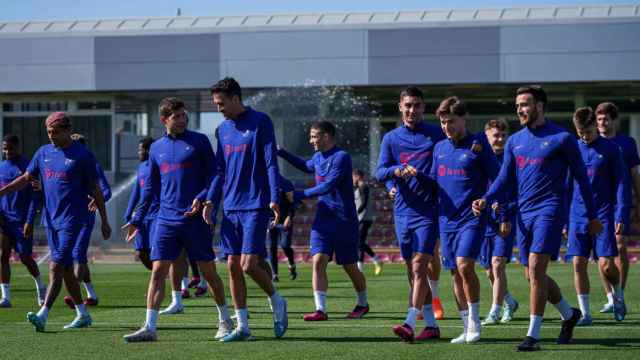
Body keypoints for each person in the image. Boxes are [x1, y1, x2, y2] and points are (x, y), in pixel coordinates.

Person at [472, 86, 602, 351]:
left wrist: (592, 216)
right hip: (523, 213)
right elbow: (504, 178)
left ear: (540, 106)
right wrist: (486, 198)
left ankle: (533, 335)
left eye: (526, 104)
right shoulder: (514, 141)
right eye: (518, 105)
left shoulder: (563, 138)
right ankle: (569, 314)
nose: (520, 109)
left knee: (536, 268)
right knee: (533, 276)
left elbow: (582, 180)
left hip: (550, 210)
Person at [123, 97, 233, 342]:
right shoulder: (156, 148)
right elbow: (149, 188)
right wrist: (137, 219)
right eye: (177, 117)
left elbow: (216, 175)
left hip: (195, 220)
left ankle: (224, 320)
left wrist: (204, 197)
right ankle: (149, 328)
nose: (183, 120)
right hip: (165, 220)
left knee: (208, 271)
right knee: (157, 272)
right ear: (164, 120)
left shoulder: (200, 141)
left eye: (185, 116)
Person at [0, 112, 111, 332]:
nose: (51, 136)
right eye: (49, 132)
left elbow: (96, 190)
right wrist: (2, 191)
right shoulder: (43, 153)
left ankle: (43, 314)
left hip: (74, 220)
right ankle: (82, 314)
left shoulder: (82, 155)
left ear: (67, 130)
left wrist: (105, 220)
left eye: (56, 132)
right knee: (67, 270)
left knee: (55, 265)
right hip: (51, 221)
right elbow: (26, 179)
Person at [203, 78, 288, 342]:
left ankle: (277, 299)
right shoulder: (222, 130)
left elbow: (270, 163)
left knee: (249, 265)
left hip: (255, 204)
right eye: (216, 104)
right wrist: (210, 201)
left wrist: (274, 197)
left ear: (235, 98)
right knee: (232, 266)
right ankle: (244, 328)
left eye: (221, 103)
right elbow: (219, 170)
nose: (219, 108)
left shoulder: (261, 121)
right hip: (231, 207)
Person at [278, 120, 369, 323]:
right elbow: (304, 165)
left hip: (345, 220)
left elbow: (328, 185)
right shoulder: (318, 157)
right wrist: (280, 151)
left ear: (326, 136)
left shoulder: (342, 157)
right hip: (323, 220)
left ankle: (363, 303)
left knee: (349, 265)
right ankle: (320, 309)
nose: (311, 140)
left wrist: (300, 194)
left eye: (314, 136)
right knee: (318, 260)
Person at [431, 97, 504, 344]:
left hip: (471, 218)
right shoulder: (439, 148)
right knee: (453, 272)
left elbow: (499, 179)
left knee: (464, 265)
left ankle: (475, 323)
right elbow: (433, 182)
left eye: (451, 121)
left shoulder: (479, 144)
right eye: (442, 122)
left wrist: (486, 199)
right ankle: (465, 326)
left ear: (464, 119)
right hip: (445, 219)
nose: (446, 126)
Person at [376, 86, 444, 343]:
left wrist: (423, 177)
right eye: (408, 105)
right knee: (411, 269)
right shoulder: (391, 138)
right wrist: (396, 173)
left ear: (423, 108)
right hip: (402, 212)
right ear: (400, 107)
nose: (412, 110)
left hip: (429, 211)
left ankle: (408, 321)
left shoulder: (436, 135)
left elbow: (444, 170)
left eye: (416, 105)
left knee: (419, 266)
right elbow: (380, 172)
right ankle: (431, 325)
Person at [567, 107, 628, 325]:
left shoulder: (611, 149)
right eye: (581, 133)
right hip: (577, 214)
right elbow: (566, 186)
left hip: (603, 213)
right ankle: (585, 314)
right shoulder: (572, 149)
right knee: (578, 263)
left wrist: (621, 213)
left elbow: (621, 182)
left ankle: (618, 293)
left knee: (606, 266)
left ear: (596, 126)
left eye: (589, 132)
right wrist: (565, 219)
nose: (585, 136)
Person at [595, 102, 638, 313]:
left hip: (621, 203)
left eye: (606, 119)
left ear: (614, 121)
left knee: (620, 245)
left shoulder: (627, 143)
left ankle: (620, 292)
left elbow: (634, 175)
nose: (602, 123)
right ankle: (610, 297)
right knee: (602, 253)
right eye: (599, 119)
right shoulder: (591, 143)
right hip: (598, 205)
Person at [61, 133, 111, 309]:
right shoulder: (66, 165)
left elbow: (106, 192)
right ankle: (91, 295)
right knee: (76, 255)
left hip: (84, 218)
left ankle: (73, 295)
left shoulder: (93, 165)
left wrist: (96, 200)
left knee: (78, 255)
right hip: (68, 218)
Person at [480, 119, 520, 325]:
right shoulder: (480, 157)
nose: (500, 138)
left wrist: (506, 208)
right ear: (486, 136)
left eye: (503, 135)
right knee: (488, 269)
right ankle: (509, 301)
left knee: (497, 265)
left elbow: (520, 192)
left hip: (507, 220)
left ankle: (495, 311)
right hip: (484, 221)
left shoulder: (512, 159)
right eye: (496, 135)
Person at [0, 134, 46, 308]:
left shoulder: (28, 166)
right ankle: (5, 297)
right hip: (5, 221)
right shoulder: (1, 167)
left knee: (25, 257)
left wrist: (29, 221)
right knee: (3, 256)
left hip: (21, 221)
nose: (7, 151)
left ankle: (41, 286)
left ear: (18, 147)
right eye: (4, 148)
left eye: (10, 148)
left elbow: (35, 197)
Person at [123, 137, 157, 271]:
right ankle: (160, 278)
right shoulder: (141, 167)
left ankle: (156, 285)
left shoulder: (157, 167)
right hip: (141, 217)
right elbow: (136, 192)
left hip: (156, 215)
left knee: (156, 253)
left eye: (140, 150)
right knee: (141, 253)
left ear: (149, 150)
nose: (139, 152)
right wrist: (128, 212)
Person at [352, 169, 383, 275]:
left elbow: (364, 203)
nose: (352, 180)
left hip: (364, 218)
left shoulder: (363, 187)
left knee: (359, 243)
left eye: (353, 177)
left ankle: (361, 267)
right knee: (360, 243)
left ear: (357, 176)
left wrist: (355, 213)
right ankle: (375, 260)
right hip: (362, 218)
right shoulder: (359, 188)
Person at [269, 173, 298, 282]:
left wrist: (289, 217)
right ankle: (274, 274)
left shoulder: (286, 183)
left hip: (284, 220)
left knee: (285, 245)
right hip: (270, 220)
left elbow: (293, 203)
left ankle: (291, 264)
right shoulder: (263, 182)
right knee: (272, 247)